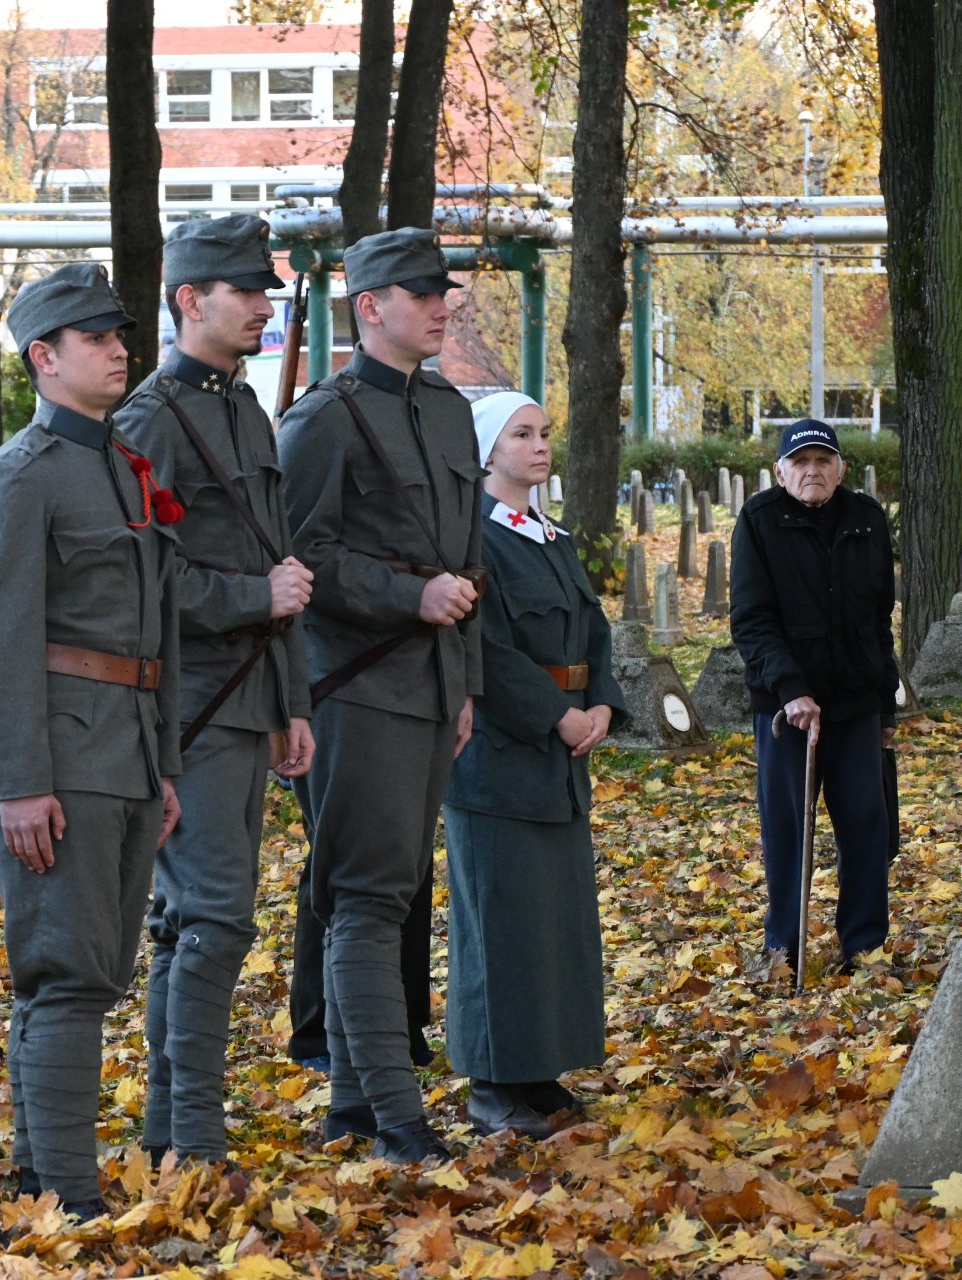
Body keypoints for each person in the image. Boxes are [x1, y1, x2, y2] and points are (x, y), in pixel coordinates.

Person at [0, 262, 183, 1219]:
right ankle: (72, 1194)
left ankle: (39, 1167)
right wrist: (17, 783)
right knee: (68, 975)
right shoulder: (15, 480)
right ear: (44, 359)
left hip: (123, 752)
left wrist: (163, 766)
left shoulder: (120, 467)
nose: (119, 349)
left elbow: (151, 635)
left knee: (82, 971)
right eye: (95, 338)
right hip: (57, 758)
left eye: (120, 334)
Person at [276, 227, 485, 1165]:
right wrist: (410, 596)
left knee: (393, 896)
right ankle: (398, 1119)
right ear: (370, 307)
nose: (445, 305)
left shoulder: (444, 407)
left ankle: (355, 1110)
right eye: (423, 292)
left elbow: (466, 556)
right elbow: (303, 558)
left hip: (432, 688)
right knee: (365, 898)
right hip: (354, 690)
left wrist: (466, 683)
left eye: (445, 291)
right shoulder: (323, 417)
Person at [112, 215, 312, 1167]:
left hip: (248, 702)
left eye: (266, 290)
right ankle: (192, 1135)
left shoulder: (246, 409)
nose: (265, 306)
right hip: (188, 706)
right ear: (190, 300)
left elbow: (279, 562)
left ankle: (172, 1130)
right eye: (247, 291)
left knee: (190, 919)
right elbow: (146, 582)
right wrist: (251, 600)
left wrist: (293, 702)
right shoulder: (152, 417)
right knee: (218, 914)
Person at [442, 392, 628, 1137]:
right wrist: (557, 715)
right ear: (488, 452)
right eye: (522, 435)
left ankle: (538, 1070)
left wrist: (605, 704)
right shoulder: (475, 542)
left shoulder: (552, 537)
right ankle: (493, 1084)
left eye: (546, 432)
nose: (540, 446)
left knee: (551, 927)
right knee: (500, 924)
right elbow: (485, 650)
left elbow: (596, 631)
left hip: (561, 760)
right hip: (502, 757)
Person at [731, 419, 898, 976]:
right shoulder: (759, 520)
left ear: (841, 468)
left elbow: (880, 622)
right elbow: (751, 620)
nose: (812, 470)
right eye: (800, 462)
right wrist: (791, 689)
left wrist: (886, 709)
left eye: (823, 460)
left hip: (855, 706)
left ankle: (865, 948)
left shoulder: (867, 520)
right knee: (786, 829)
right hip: (787, 712)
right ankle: (786, 950)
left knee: (866, 826)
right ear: (780, 471)